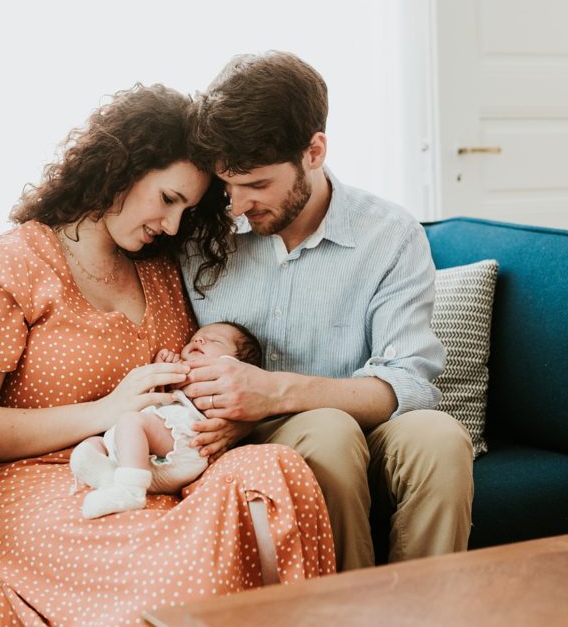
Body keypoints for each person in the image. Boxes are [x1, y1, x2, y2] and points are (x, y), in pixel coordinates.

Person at [0, 84, 335, 626]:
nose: (171, 226)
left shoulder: (162, 268)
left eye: (186, 211)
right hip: (28, 479)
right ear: (121, 166)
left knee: (274, 469)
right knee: (162, 560)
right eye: (168, 199)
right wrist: (107, 412)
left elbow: (194, 382)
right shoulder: (17, 261)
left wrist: (225, 425)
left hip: (159, 464)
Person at [179, 51, 474, 572]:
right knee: (328, 434)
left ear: (314, 151)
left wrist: (276, 391)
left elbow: (409, 380)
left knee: (441, 440)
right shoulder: (200, 236)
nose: (237, 205)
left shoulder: (388, 234)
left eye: (256, 184)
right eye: (227, 185)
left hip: (365, 422)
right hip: (259, 436)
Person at [71, 321, 262, 519]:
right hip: (154, 452)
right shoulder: (182, 373)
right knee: (93, 444)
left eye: (214, 340)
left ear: (237, 364)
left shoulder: (225, 376)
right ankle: (112, 481)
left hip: (188, 445)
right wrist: (160, 370)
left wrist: (173, 370)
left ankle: (130, 491)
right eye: (195, 338)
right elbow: (160, 402)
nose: (199, 339)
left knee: (131, 422)